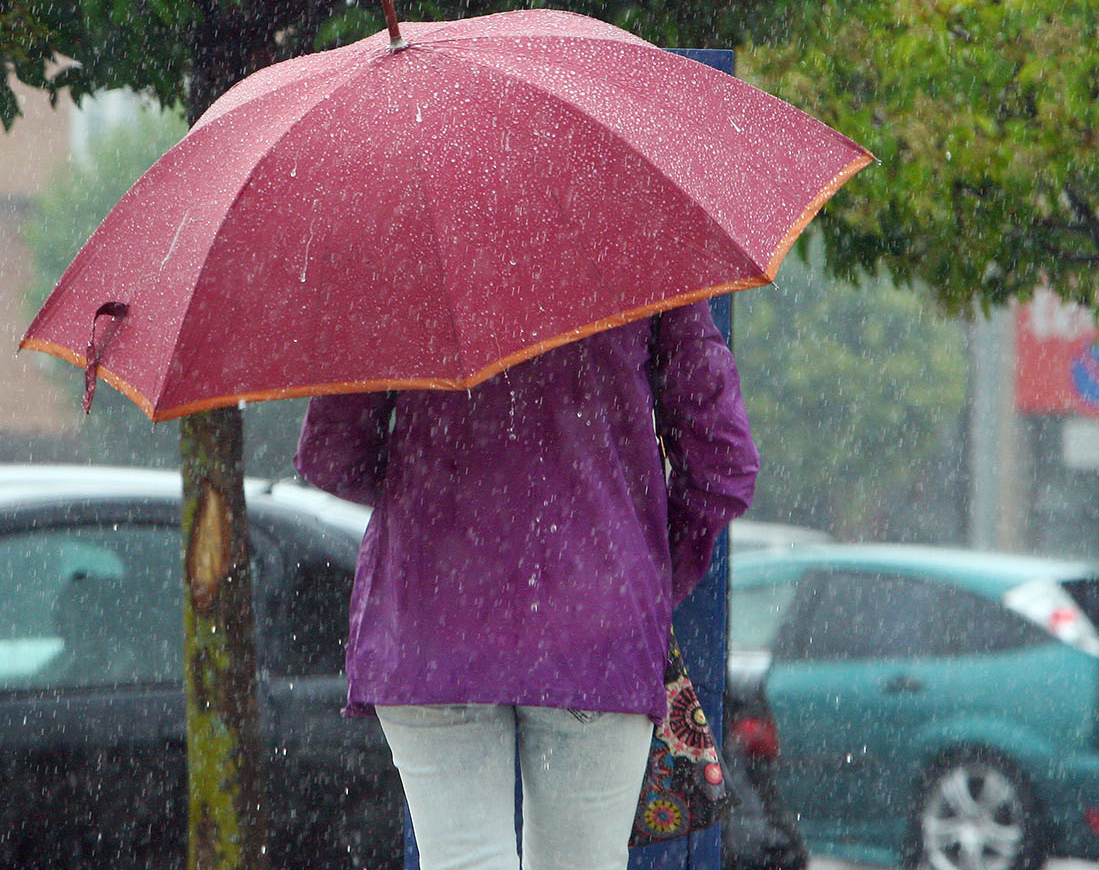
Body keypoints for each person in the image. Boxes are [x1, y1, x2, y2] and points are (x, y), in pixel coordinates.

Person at [294, 299, 759, 870]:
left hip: (430, 618)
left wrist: (435, 505)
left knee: (463, 860)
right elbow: (723, 465)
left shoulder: (410, 258)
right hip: (599, 629)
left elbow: (330, 453)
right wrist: (648, 573)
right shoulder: (645, 255)